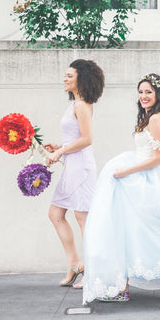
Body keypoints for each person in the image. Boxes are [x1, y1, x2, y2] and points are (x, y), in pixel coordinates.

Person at [82, 73, 160, 304]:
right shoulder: (148, 117)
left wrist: (127, 171)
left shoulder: (156, 119)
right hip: (145, 181)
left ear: (158, 94)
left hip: (149, 181)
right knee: (133, 232)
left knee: (154, 232)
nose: (143, 96)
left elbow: (159, 158)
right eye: (141, 92)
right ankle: (129, 286)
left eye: (148, 92)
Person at [44, 59, 104, 289]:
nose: (65, 78)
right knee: (55, 214)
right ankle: (75, 263)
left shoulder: (82, 105)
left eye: (69, 75)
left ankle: (93, 271)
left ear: (81, 78)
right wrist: (58, 146)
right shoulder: (76, 104)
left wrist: (60, 151)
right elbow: (76, 138)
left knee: (83, 219)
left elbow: (87, 139)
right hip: (72, 164)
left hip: (81, 167)